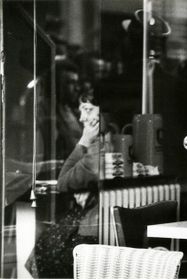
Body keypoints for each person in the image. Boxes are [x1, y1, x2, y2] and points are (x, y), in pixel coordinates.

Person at [26, 87, 112, 278]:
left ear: (103, 113)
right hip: (97, 224)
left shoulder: (98, 150)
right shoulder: (107, 144)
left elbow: (63, 182)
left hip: (91, 230)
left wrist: (83, 140)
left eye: (88, 110)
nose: (81, 118)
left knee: (45, 250)